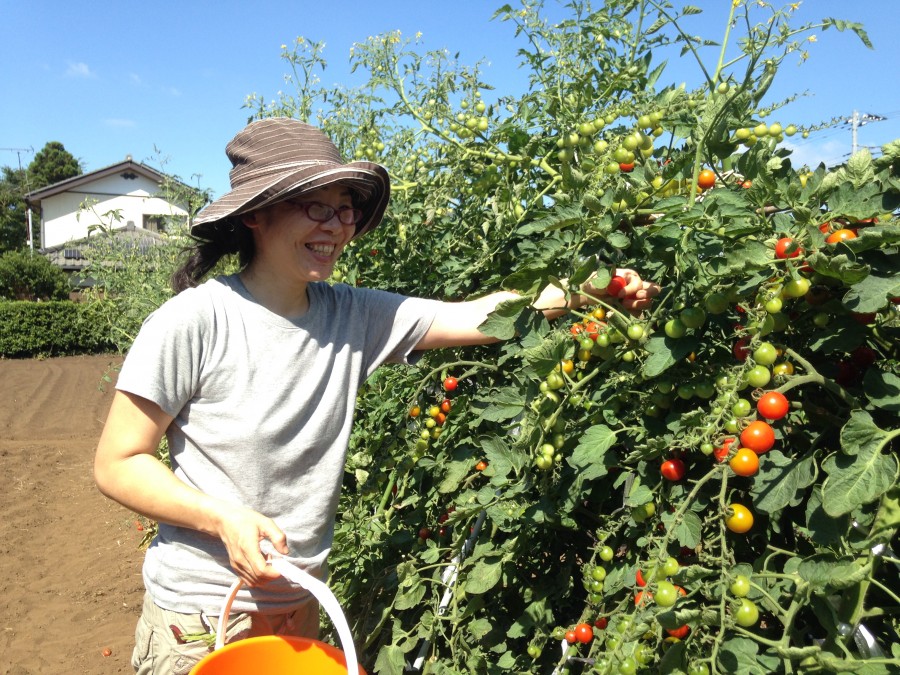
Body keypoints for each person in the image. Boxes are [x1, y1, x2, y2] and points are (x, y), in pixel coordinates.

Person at [94, 117, 660, 674]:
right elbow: (118, 462)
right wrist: (222, 519)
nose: (336, 226)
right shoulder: (195, 321)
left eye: (345, 209)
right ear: (258, 216)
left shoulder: (353, 315)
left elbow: (481, 315)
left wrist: (592, 291)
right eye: (315, 205)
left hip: (298, 607)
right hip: (199, 622)